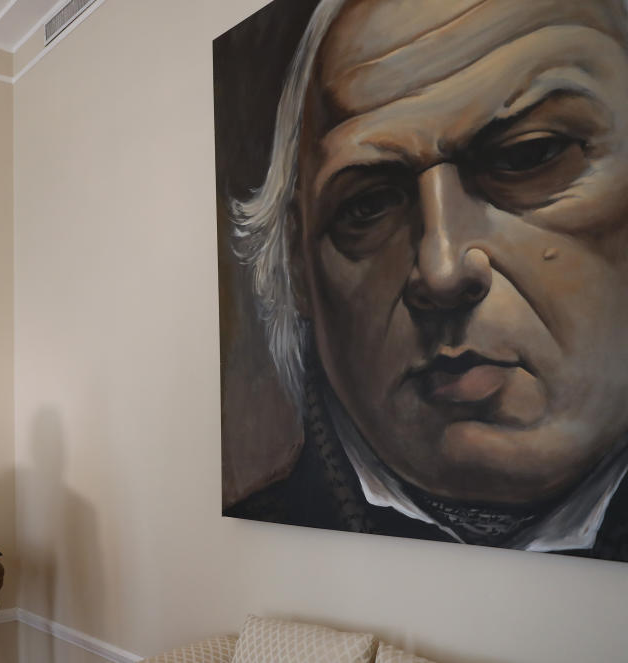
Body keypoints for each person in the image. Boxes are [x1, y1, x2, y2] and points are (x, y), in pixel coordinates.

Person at [223, 0, 628, 561]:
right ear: (296, 263)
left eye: (531, 155)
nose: (441, 270)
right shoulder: (261, 542)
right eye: (368, 206)